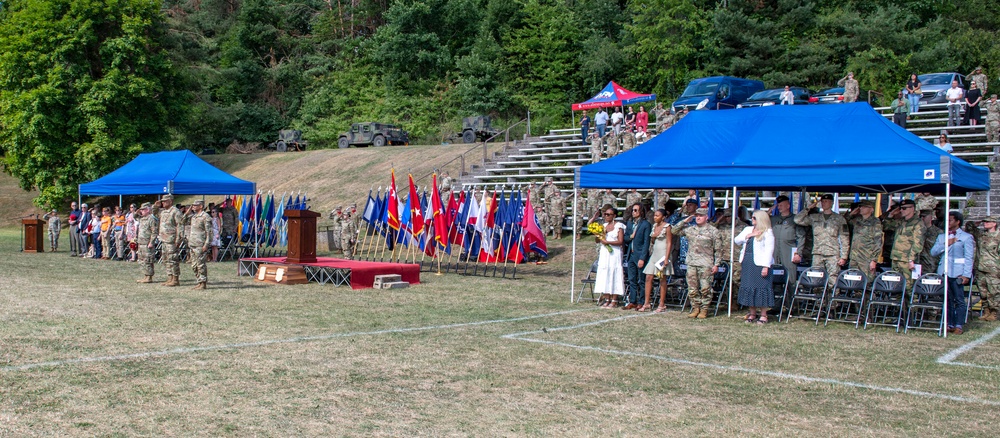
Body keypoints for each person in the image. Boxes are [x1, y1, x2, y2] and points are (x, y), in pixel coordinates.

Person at [671, 207, 724, 319]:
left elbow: (718, 249)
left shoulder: (713, 231)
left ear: (706, 217)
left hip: (706, 263)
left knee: (705, 288)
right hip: (692, 262)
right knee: (692, 288)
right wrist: (685, 221)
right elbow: (674, 231)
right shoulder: (691, 229)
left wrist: (716, 264)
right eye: (697, 216)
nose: (698, 218)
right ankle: (696, 308)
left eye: (700, 216)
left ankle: (704, 309)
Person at [930, 211, 975, 335]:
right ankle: (949, 323)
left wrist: (966, 274)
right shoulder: (942, 236)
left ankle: (959, 324)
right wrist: (946, 244)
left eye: (950, 220)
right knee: (947, 299)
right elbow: (933, 252)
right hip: (944, 271)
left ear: (957, 222)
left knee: (959, 299)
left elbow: (969, 257)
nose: (947, 223)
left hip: (958, 272)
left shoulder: (966, 237)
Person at [794, 194, 850, 291]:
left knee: (833, 280)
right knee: (817, 279)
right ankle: (819, 303)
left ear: (832, 203)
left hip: (832, 254)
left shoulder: (839, 219)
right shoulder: (815, 217)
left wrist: (844, 256)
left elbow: (844, 238)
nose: (824, 203)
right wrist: (808, 208)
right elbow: (797, 219)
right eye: (823, 201)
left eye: (827, 201)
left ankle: (832, 305)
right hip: (817, 253)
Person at [735, 210, 775, 324]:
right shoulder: (748, 229)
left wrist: (766, 266)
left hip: (760, 263)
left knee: (762, 288)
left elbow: (769, 250)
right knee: (748, 286)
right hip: (747, 261)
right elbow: (737, 240)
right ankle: (752, 313)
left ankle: (763, 314)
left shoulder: (768, 232)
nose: (752, 220)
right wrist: (749, 236)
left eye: (754, 218)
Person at [592, 205, 626, 308]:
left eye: (609, 214)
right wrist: (598, 235)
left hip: (614, 252)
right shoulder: (603, 225)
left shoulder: (619, 226)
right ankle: (607, 298)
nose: (606, 216)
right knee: (605, 273)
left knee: (614, 273)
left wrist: (608, 242)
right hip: (604, 252)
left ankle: (614, 299)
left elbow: (620, 241)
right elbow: (598, 241)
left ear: (614, 215)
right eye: (605, 214)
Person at [882, 199, 924, 279]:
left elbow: (918, 243)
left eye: (904, 208)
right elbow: (886, 227)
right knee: (896, 284)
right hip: (896, 257)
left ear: (912, 208)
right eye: (900, 208)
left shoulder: (918, 223)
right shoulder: (901, 222)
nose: (901, 210)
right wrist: (891, 215)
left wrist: (911, 260)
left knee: (909, 286)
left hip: (907, 259)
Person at [770, 195, 806, 287]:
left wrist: (799, 253)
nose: (779, 207)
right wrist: (770, 210)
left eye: (781, 205)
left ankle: (790, 300)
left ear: (788, 206)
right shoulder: (774, 219)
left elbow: (801, 237)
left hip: (789, 249)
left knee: (790, 278)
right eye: (778, 205)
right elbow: (761, 220)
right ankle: (777, 300)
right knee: (774, 275)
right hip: (775, 250)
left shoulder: (795, 219)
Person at [644, 209, 674, 313]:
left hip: (663, 254)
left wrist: (666, 258)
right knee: (648, 277)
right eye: (654, 215)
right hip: (654, 253)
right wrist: (653, 236)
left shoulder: (667, 227)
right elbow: (653, 241)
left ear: (663, 217)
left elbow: (669, 242)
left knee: (662, 278)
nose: (655, 217)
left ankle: (661, 303)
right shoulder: (654, 226)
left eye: (657, 215)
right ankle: (647, 302)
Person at [623, 203, 651, 310]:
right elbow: (625, 238)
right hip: (631, 254)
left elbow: (646, 243)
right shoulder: (630, 223)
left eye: (635, 210)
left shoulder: (645, 224)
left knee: (641, 280)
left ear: (641, 212)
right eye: (632, 210)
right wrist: (631, 236)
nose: (633, 212)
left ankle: (642, 301)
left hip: (640, 255)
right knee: (632, 279)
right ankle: (632, 301)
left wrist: (642, 258)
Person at [972, 216, 1000, 321]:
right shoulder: (981, 234)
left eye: (988, 222)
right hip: (980, 267)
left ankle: (995, 312)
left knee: (994, 292)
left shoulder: (998, 236)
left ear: (994, 223)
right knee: (982, 291)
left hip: (993, 268)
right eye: (985, 221)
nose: (985, 223)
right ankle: (986, 311)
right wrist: (977, 222)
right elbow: (969, 227)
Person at [846, 200, 882, 277]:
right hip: (854, 257)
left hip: (866, 257)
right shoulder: (857, 220)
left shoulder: (875, 222)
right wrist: (852, 213)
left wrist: (874, 260)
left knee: (867, 281)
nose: (861, 208)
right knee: (853, 280)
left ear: (871, 209)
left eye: (864, 207)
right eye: (860, 207)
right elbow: (844, 221)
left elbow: (878, 242)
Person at [158, 194, 184, 287]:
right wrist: (155, 207)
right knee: (166, 259)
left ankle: (175, 279)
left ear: (171, 201)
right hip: (164, 239)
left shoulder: (175, 212)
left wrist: (178, 240)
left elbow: (180, 226)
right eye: (162, 201)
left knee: (173, 259)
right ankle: (169, 278)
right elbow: (154, 214)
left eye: (165, 201)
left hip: (172, 240)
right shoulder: (164, 212)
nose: (163, 203)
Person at [186, 200, 213, 290]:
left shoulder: (205, 217)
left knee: (200, 264)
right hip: (193, 244)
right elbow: (182, 221)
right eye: (192, 205)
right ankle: (199, 281)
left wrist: (206, 244)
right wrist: (187, 212)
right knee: (194, 265)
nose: (193, 206)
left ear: (201, 206)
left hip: (200, 244)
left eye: (195, 205)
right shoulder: (194, 216)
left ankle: (203, 283)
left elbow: (209, 232)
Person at [135, 202, 159, 283]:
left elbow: (154, 231)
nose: (142, 211)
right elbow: (135, 217)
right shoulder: (142, 218)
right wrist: (137, 212)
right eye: (141, 210)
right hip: (141, 242)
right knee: (142, 260)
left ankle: (149, 277)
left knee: (148, 260)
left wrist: (151, 242)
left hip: (147, 243)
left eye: (143, 210)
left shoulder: (151, 219)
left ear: (148, 210)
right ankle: (145, 275)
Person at [919, 209, 943, 275]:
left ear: (931, 217)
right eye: (920, 216)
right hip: (919, 263)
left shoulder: (938, 232)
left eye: (924, 217)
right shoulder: (917, 231)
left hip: (932, 264)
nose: (922, 218)